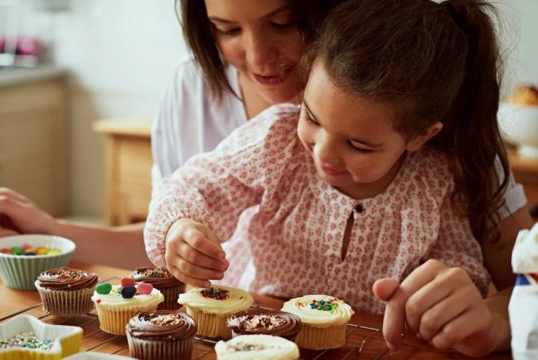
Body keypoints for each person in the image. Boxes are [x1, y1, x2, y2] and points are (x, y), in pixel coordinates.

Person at [143, 0, 528, 357]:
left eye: (359, 145)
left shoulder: (437, 182)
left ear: (419, 136)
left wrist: (442, 302)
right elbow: (194, 186)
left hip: (370, 347)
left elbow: (462, 267)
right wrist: (181, 226)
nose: (323, 153)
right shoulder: (275, 140)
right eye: (311, 117)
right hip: (257, 339)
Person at [0, 0, 342, 269]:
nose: (258, 56)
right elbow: (165, 243)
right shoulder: (191, 88)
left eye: (282, 23)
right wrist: (51, 231)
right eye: (228, 30)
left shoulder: (367, 105)